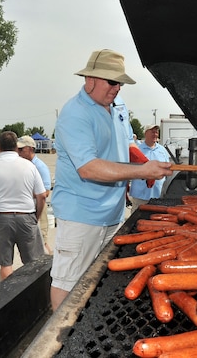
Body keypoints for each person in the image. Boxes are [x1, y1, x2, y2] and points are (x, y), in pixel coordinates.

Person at [50, 49, 172, 311]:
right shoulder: (75, 114)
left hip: (113, 214)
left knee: (99, 279)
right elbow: (89, 168)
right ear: (90, 79)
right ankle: (58, 343)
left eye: (120, 83)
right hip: (81, 215)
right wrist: (143, 172)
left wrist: (144, 161)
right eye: (112, 82)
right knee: (67, 283)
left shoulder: (117, 107)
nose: (117, 89)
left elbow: (125, 144)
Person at [0, 131, 47, 280]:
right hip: (26, 216)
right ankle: (30, 296)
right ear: (16, 147)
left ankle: (8, 297)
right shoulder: (29, 166)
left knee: (6, 263)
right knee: (32, 262)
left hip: (1, 218)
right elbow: (41, 196)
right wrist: (36, 217)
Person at [17, 135, 53, 254]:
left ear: (31, 149)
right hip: (26, 208)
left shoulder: (40, 166)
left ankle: (48, 266)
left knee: (42, 240)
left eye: (21, 149)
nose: (18, 152)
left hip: (38, 207)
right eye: (17, 149)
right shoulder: (22, 165)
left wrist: (25, 194)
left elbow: (46, 192)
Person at [129, 125, 171, 212]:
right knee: (136, 221)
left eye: (156, 132)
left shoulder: (162, 150)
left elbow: (167, 170)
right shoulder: (138, 150)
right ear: (145, 133)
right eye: (152, 132)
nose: (155, 134)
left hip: (158, 195)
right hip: (140, 196)